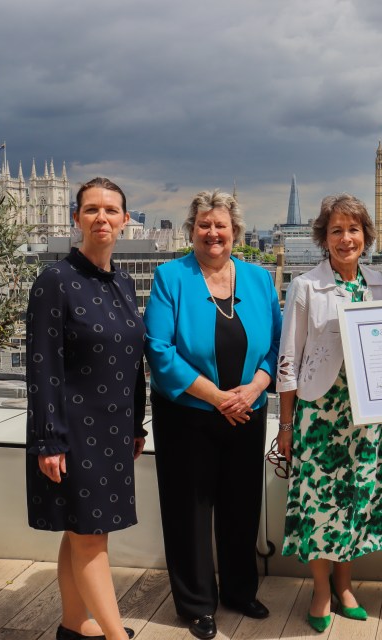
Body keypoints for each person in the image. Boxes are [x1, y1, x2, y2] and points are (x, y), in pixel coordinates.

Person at [144, 189, 281, 640]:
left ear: (235, 232)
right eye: (204, 225)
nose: (213, 233)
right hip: (188, 416)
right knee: (190, 511)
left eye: (221, 225)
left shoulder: (259, 279)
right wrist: (220, 398)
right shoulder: (170, 277)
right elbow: (160, 353)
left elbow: (278, 347)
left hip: (248, 411)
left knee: (241, 507)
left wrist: (256, 387)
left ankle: (240, 591)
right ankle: (196, 603)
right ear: (191, 230)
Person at [26, 177, 144, 640]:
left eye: (111, 210)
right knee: (90, 537)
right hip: (72, 431)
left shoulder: (124, 282)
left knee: (82, 531)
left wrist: (137, 424)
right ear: (76, 219)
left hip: (114, 429)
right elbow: (41, 367)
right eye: (91, 209)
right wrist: (48, 440)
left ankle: (73, 626)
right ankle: (115, 637)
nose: (102, 218)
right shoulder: (55, 281)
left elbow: (133, 362)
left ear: (125, 220)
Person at [275, 194, 382, 632]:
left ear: (366, 235)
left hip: (367, 416)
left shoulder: (380, 284)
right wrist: (286, 425)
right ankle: (322, 590)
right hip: (319, 413)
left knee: (358, 499)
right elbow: (289, 359)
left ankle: (346, 585)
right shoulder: (306, 285)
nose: (346, 238)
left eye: (354, 229)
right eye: (337, 230)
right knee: (319, 503)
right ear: (324, 238)